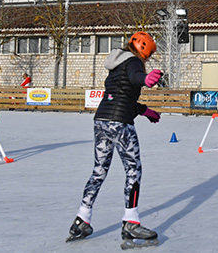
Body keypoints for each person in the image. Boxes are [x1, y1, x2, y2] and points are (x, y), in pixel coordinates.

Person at [67, 32, 163, 247]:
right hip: (120, 123)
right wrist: (146, 80)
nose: (147, 60)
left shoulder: (116, 63)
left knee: (98, 171)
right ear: (143, 49)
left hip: (101, 121)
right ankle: (131, 221)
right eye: (148, 55)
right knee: (133, 170)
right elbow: (135, 77)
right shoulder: (133, 62)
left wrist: (145, 110)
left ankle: (82, 218)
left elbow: (122, 94)